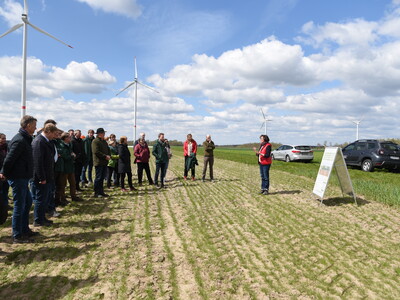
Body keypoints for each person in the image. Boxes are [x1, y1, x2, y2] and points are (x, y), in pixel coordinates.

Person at [0, 115, 38, 243]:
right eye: (34, 125)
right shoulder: (20, 140)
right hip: (17, 177)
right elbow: (9, 159)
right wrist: (4, 172)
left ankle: (24, 229)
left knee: (27, 202)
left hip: (23, 177)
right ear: (27, 126)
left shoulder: (25, 139)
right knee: (19, 205)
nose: (35, 128)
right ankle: (17, 234)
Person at [31, 123, 58, 227]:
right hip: (41, 177)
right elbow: (37, 162)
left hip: (47, 175)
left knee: (44, 199)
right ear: (48, 132)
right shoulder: (39, 142)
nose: (54, 136)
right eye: (53, 133)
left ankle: (42, 218)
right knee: (40, 199)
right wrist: (42, 178)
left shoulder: (46, 141)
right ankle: (38, 220)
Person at [92, 128, 111, 197]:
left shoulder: (104, 141)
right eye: (103, 133)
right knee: (98, 178)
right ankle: (96, 192)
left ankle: (101, 191)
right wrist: (105, 156)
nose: (104, 134)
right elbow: (96, 151)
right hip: (99, 162)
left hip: (104, 162)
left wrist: (109, 155)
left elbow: (108, 149)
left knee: (102, 178)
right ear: (99, 134)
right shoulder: (95, 141)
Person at [0, 133, 9, 208]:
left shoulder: (6, 147)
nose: (4, 140)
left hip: (5, 172)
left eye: (5, 138)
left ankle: (5, 205)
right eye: (3, 138)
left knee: (5, 189)